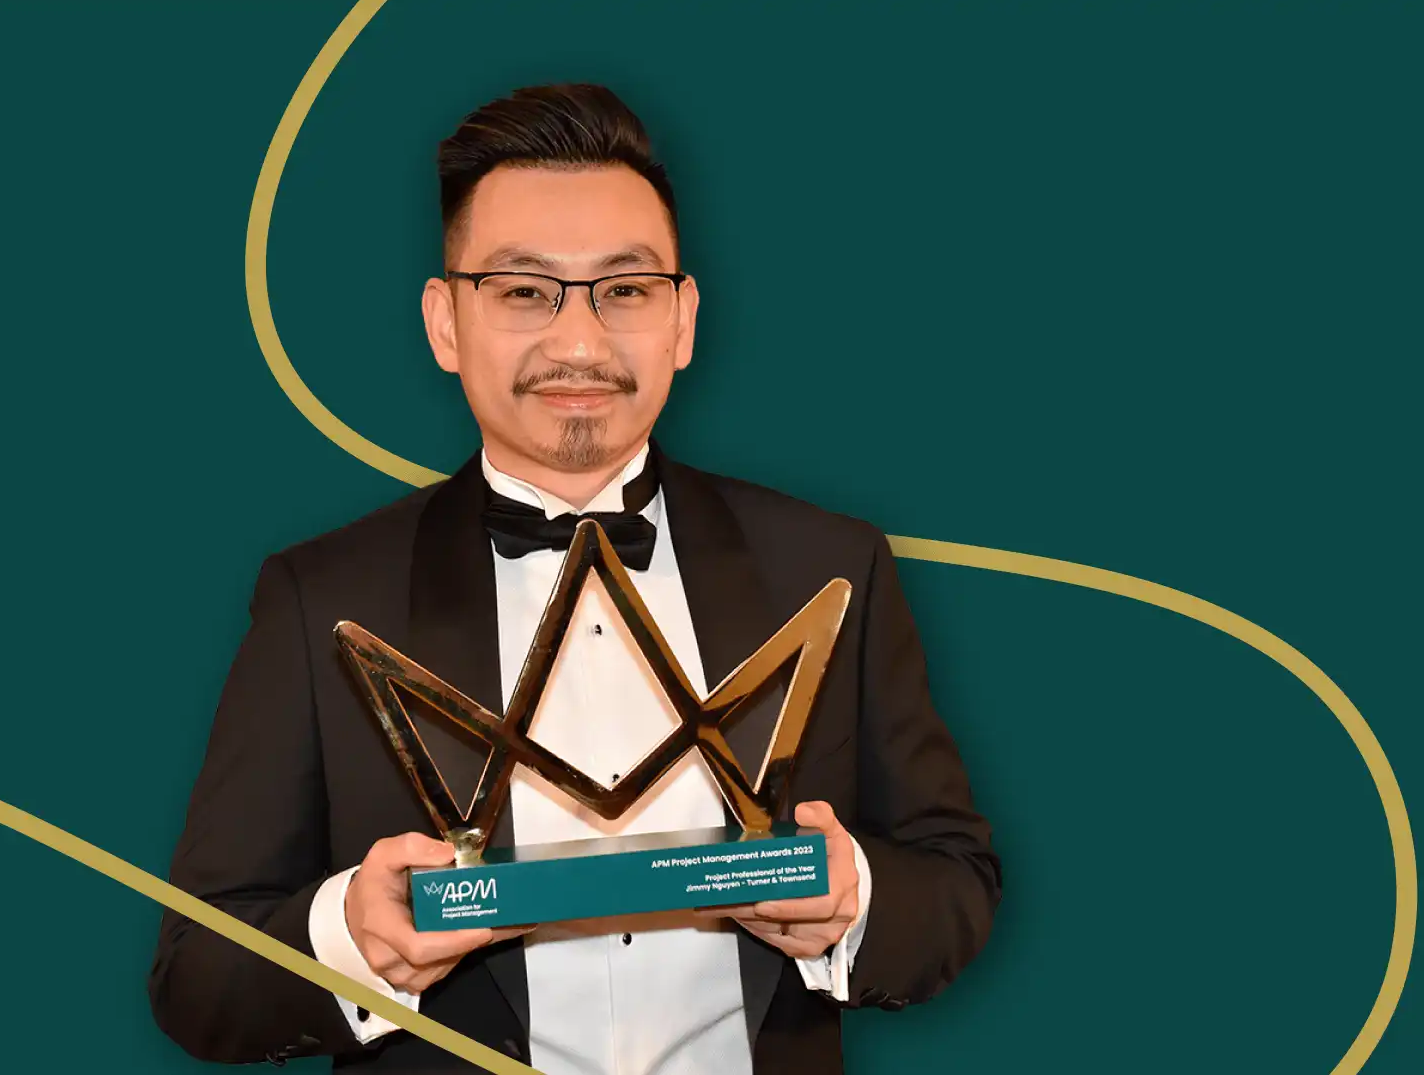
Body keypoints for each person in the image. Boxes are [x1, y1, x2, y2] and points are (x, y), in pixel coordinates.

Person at [148, 83, 999, 1074]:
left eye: (624, 290)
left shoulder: (832, 565)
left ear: (683, 320)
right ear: (445, 323)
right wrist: (352, 939)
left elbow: (955, 885)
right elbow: (197, 974)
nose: (580, 344)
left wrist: (852, 899)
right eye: (524, 291)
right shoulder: (319, 599)